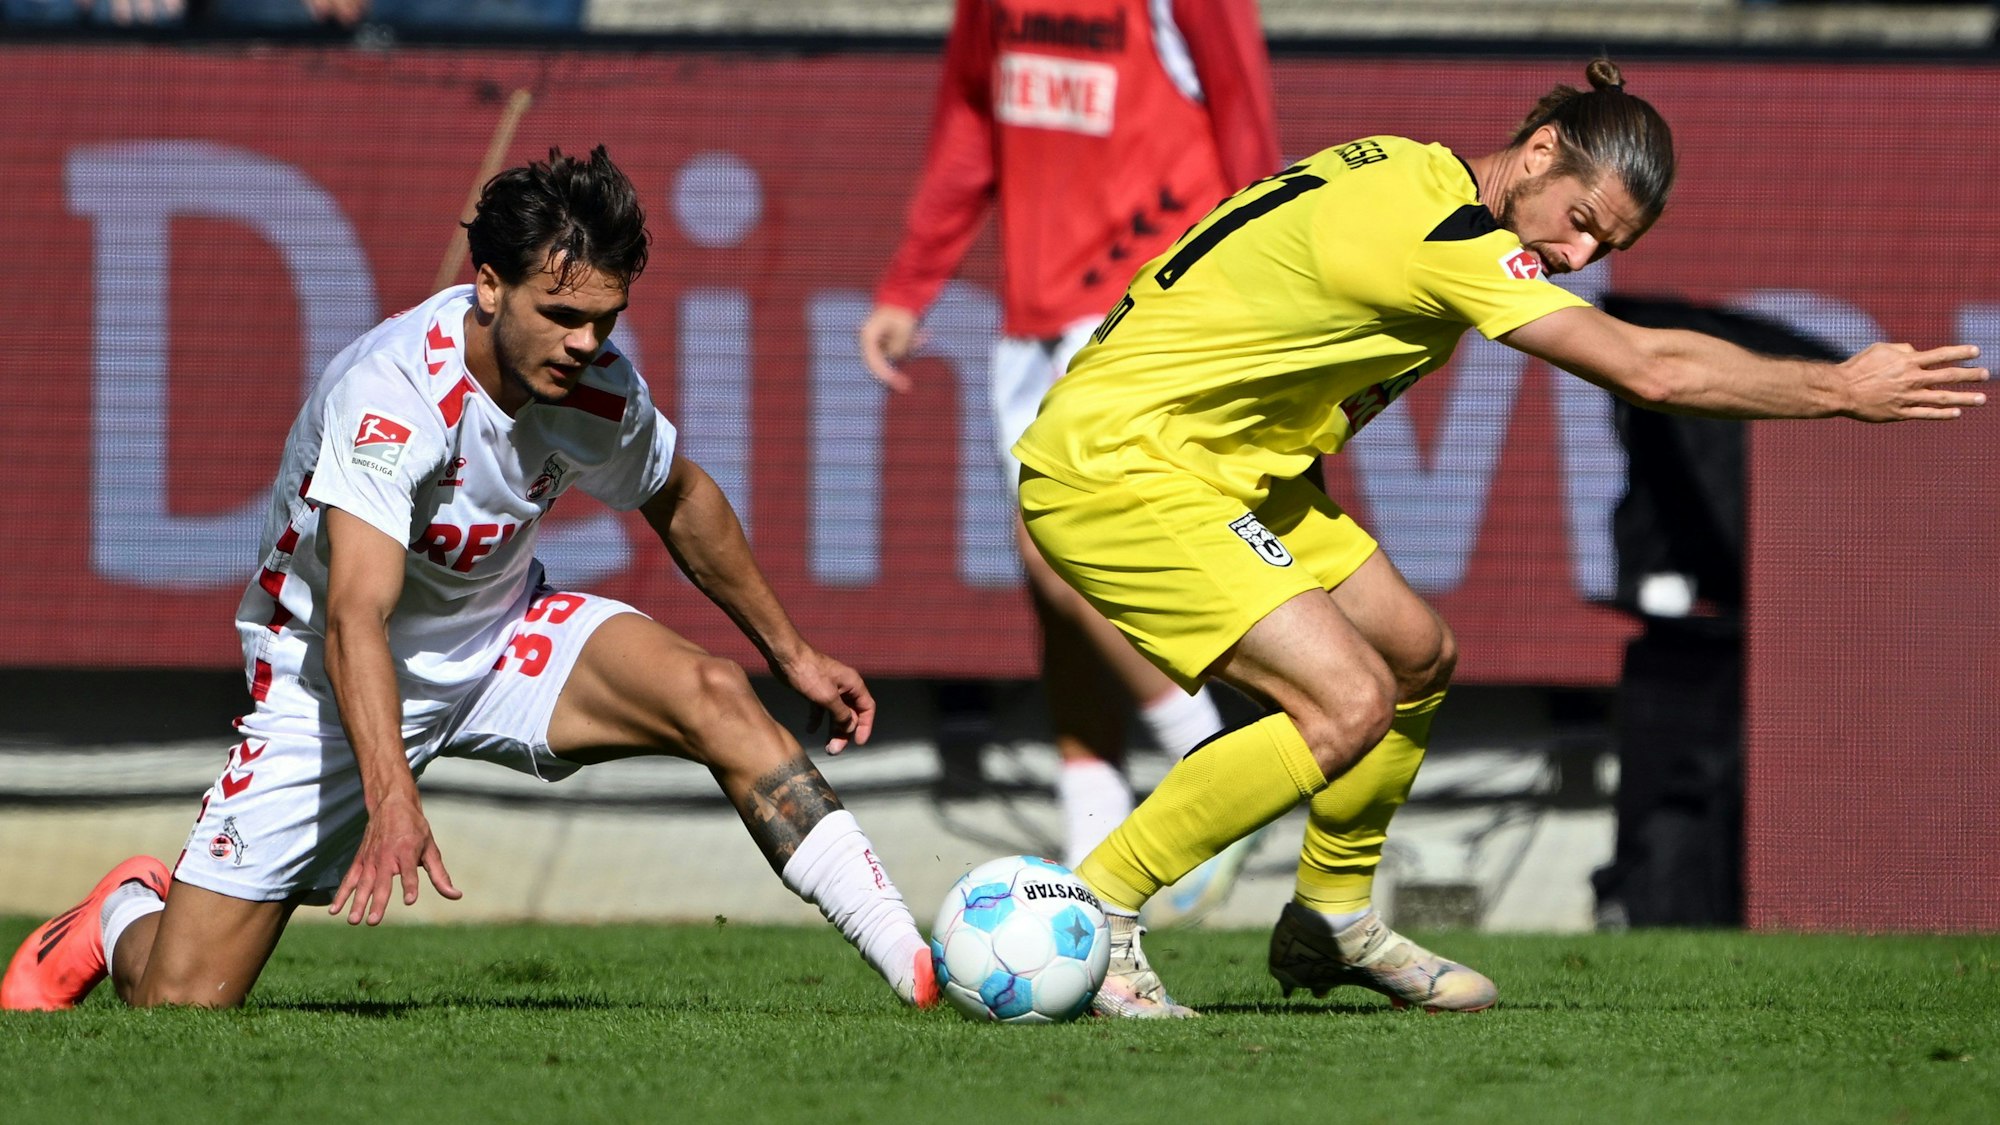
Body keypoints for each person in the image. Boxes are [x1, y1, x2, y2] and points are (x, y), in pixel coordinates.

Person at [1012, 58, 1987, 1017]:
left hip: (1222, 462)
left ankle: (1330, 917)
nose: (1575, 258)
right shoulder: (1447, 238)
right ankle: (1096, 911)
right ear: (1537, 151)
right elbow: (1647, 371)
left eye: (1603, 248)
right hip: (1125, 464)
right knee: (1344, 704)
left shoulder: (1404, 165)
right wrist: (1833, 389)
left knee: (1413, 655)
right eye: (1578, 222)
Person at [3, 147, 937, 1012]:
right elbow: (354, 620)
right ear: (487, 285)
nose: (584, 343)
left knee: (715, 692)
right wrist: (394, 794)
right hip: (329, 681)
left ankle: (915, 964)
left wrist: (795, 652)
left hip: (500, 638)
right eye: (562, 315)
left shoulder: (597, 389)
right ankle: (125, 907)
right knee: (182, 1000)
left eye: (604, 320)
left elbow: (680, 495)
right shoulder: (394, 397)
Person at [858, 0, 1279, 919]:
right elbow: (974, 114)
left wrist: (1256, 299)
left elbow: (1247, 128)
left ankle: (1215, 764)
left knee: (1058, 544)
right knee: (1054, 585)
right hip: (1035, 311)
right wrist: (911, 282)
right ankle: (1094, 845)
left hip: (1153, 299)